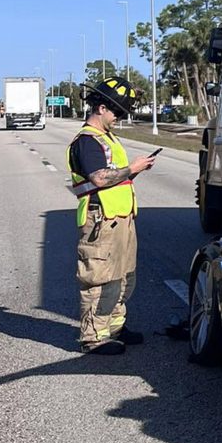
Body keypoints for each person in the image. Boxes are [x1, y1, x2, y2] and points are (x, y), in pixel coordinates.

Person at [67, 77, 156, 355]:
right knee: (100, 278)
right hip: (101, 220)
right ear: (101, 108)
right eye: (117, 112)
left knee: (124, 276)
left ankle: (114, 327)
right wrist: (132, 168)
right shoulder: (87, 141)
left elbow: (112, 178)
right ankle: (93, 337)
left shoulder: (107, 138)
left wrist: (136, 171)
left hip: (120, 217)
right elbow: (99, 178)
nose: (118, 117)